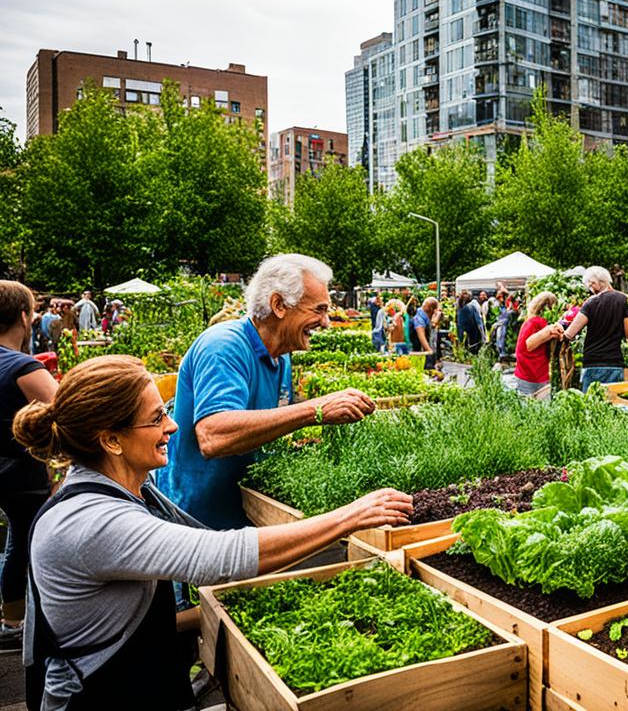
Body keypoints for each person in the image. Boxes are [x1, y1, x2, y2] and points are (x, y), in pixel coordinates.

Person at [13, 355, 412, 710]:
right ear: (111, 440)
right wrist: (352, 516)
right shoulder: (92, 521)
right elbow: (221, 557)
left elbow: (141, 603)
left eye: (165, 410)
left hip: (134, 679)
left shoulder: (130, 490)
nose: (171, 426)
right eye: (155, 418)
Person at [159, 254, 377, 530]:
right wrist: (316, 409)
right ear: (279, 305)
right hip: (200, 524)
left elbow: (261, 425)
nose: (326, 323)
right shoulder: (224, 346)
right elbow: (213, 435)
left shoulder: (281, 355)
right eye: (318, 310)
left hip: (246, 515)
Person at [0, 282, 59, 653]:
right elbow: (68, 412)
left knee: (14, 545)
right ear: (24, 316)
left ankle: (9, 620)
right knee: (32, 544)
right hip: (22, 474)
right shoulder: (22, 366)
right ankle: (34, 623)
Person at [563, 266, 628, 392]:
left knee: (591, 405)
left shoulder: (590, 303)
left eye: (589, 285)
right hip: (615, 362)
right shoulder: (622, 300)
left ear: (594, 283)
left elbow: (570, 334)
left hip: (593, 362)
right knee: (613, 404)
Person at [514, 292, 563, 397]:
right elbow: (529, 344)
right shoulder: (539, 323)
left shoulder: (530, 321)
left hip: (523, 371)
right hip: (534, 373)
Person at [411, 296, 439, 369]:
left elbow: (432, 326)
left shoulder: (422, 315)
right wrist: (430, 352)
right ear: (432, 309)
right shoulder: (419, 319)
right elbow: (421, 337)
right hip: (417, 352)